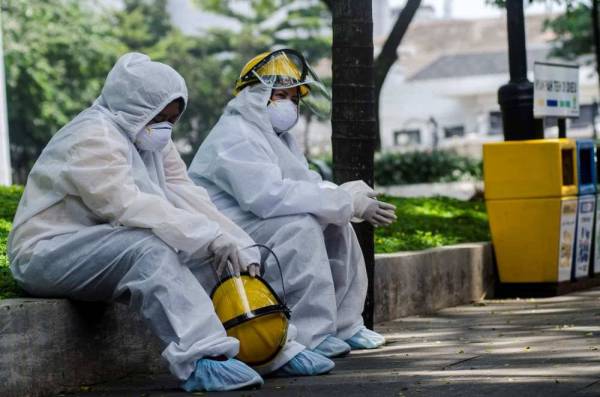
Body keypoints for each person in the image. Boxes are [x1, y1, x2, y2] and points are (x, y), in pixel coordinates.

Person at [8, 53, 332, 393]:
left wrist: (230, 238)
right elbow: (127, 206)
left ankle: (271, 349)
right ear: (134, 105)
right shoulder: (93, 136)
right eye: (159, 116)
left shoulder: (146, 135)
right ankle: (202, 359)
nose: (165, 126)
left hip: (102, 245)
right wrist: (206, 237)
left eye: (171, 119)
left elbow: (185, 192)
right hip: (47, 253)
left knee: (213, 254)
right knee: (149, 249)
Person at [188, 49, 397, 359]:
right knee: (301, 226)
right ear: (254, 95)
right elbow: (267, 196)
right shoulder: (235, 135)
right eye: (280, 95)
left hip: (257, 223)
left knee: (334, 221)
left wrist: (344, 198)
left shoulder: (278, 138)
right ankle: (310, 335)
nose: (288, 104)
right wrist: (341, 200)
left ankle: (345, 325)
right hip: (228, 232)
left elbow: (305, 184)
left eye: (293, 97)